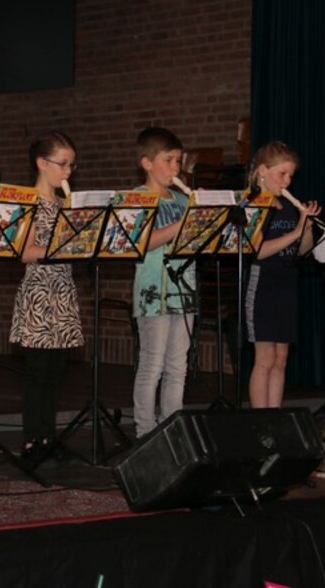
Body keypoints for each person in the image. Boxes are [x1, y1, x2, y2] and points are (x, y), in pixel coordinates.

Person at [9, 131, 85, 459]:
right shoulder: (29, 203)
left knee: (56, 372)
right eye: (63, 164)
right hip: (39, 292)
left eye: (71, 165)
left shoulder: (65, 204)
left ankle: (48, 437)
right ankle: (31, 440)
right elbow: (24, 253)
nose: (68, 171)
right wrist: (62, 245)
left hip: (63, 290)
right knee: (37, 372)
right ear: (42, 163)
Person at [244, 141, 321, 408]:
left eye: (290, 175)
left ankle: (275, 416)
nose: (287, 181)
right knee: (264, 360)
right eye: (282, 174)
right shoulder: (252, 205)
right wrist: (295, 232)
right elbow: (257, 250)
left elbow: (303, 251)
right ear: (263, 171)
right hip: (263, 287)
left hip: (287, 287)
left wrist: (306, 229)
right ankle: (259, 419)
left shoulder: (287, 206)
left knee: (281, 359)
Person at [131, 127, 195, 439]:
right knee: (152, 366)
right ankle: (145, 432)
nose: (175, 168)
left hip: (185, 291)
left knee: (178, 366)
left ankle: (172, 428)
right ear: (147, 163)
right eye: (168, 160)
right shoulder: (137, 199)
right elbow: (142, 242)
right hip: (153, 292)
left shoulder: (184, 200)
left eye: (178, 161)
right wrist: (181, 223)